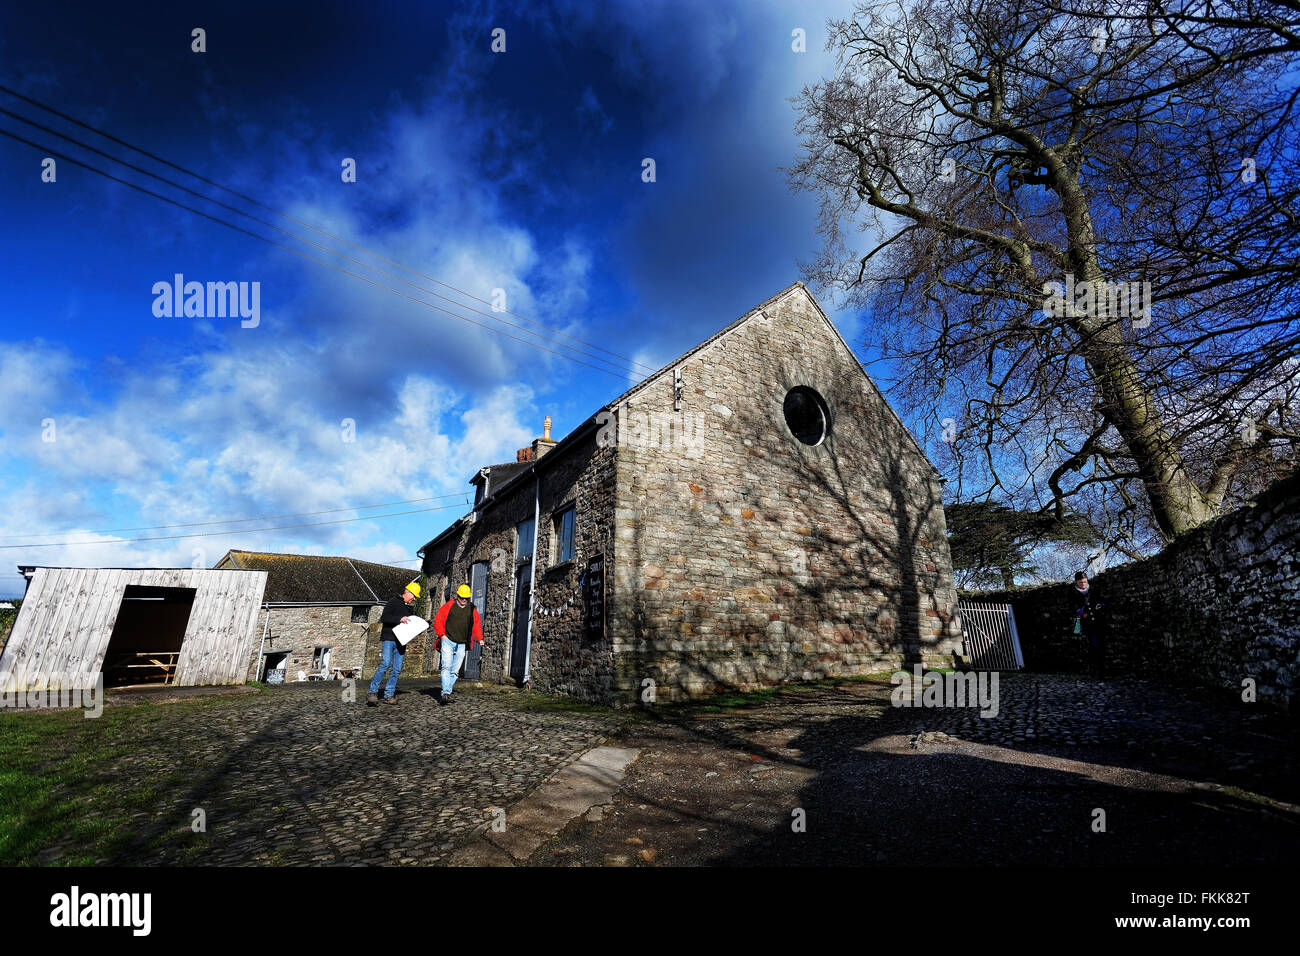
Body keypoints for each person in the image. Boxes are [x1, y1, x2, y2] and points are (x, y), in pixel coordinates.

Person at [367, 582, 421, 706]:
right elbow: (384, 618)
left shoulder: (409, 609)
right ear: (408, 593)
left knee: (396, 669)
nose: (414, 599)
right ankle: (372, 692)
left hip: (402, 641)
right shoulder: (393, 602)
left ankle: (389, 695)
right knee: (385, 664)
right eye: (414, 596)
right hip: (389, 638)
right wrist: (399, 619)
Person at [433, 584, 484, 705]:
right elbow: (438, 620)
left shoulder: (472, 609)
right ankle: (445, 692)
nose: (464, 600)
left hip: (461, 643)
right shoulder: (449, 605)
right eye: (462, 598)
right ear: (458, 596)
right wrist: (442, 635)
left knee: (455, 671)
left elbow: (476, 625)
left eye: (466, 598)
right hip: (448, 640)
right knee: (446, 666)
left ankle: (447, 692)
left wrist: (480, 638)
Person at [1071, 571, 1106, 678]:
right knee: (1094, 645)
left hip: (1099, 622)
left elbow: (1102, 601)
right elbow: (1073, 607)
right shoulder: (1074, 593)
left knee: (1101, 645)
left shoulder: (1093, 590)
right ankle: (1096, 670)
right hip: (1087, 624)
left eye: (1085, 582)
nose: (1083, 584)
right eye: (1080, 582)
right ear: (1077, 582)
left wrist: (1101, 605)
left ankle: (1099, 670)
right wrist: (1082, 613)